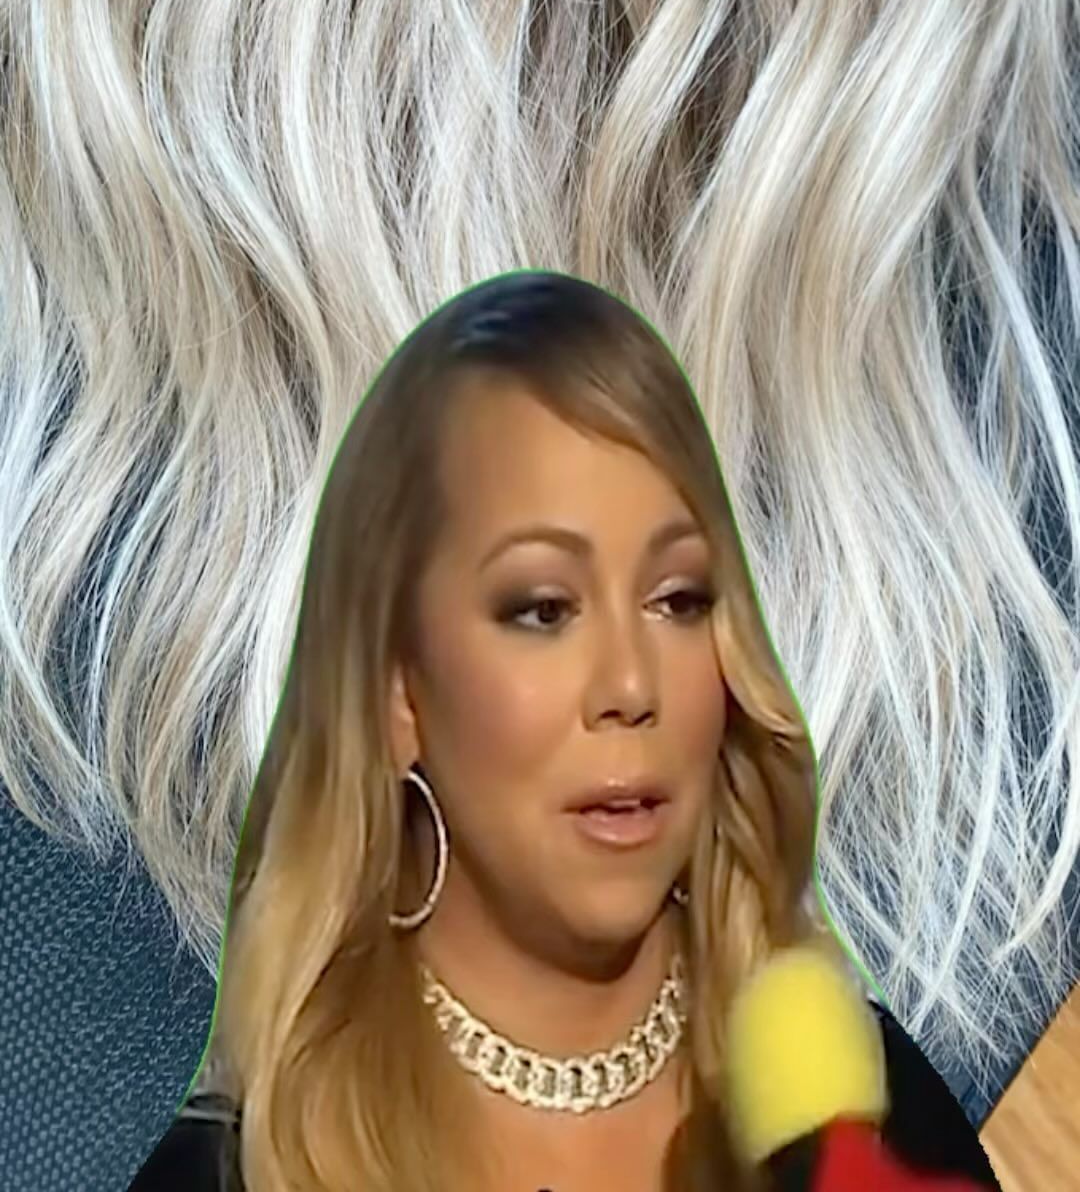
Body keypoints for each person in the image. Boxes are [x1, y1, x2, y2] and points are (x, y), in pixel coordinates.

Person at [126, 274, 1000, 1192]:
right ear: (397, 693)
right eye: (543, 609)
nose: (630, 685)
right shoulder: (243, 1169)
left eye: (678, 599)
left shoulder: (870, 1124)